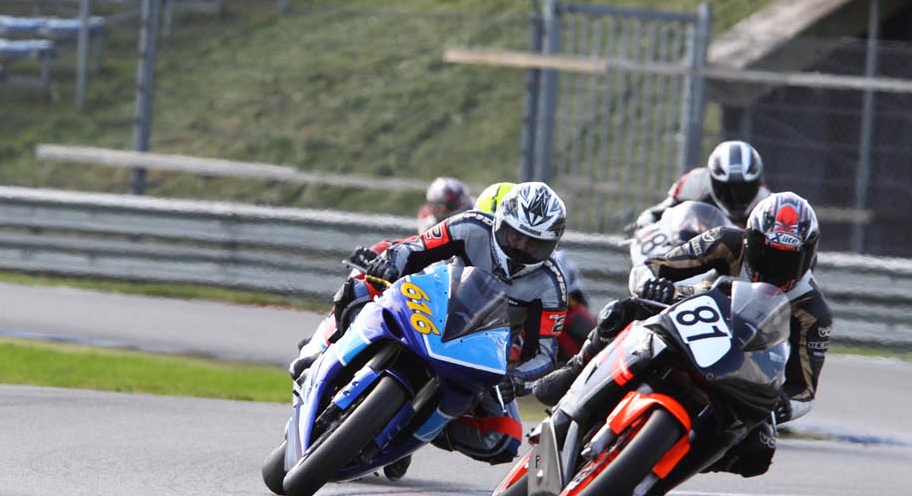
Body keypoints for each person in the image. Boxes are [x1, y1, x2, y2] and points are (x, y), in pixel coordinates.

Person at [534, 192, 831, 478]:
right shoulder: (727, 242)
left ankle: (666, 467)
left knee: (759, 451)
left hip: (743, 369)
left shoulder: (813, 311)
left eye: (787, 259)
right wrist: (652, 284)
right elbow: (654, 267)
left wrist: (784, 405)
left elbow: (803, 390)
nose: (774, 266)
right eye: (767, 252)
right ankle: (575, 372)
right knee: (622, 311)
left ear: (808, 255)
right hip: (694, 320)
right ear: (750, 239)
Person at [293, 181, 572, 465]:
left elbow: (544, 353)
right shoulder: (471, 226)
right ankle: (322, 351)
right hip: (428, 308)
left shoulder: (551, 285)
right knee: (362, 289)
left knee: (503, 439)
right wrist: (391, 263)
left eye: (534, 244)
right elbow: (416, 248)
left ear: (552, 245)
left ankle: (419, 425)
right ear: (501, 223)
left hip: (481, 353)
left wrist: (517, 378)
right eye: (515, 237)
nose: (522, 248)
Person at [476, 180, 595, 355]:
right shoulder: (464, 245)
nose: (518, 247)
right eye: (512, 235)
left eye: (528, 239)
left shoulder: (552, 268)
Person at [635, 140, 770, 229]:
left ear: (758, 182)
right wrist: (644, 223)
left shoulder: (767, 203)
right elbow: (662, 211)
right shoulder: (695, 182)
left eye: (744, 189)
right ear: (712, 178)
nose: (736, 196)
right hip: (687, 254)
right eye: (727, 189)